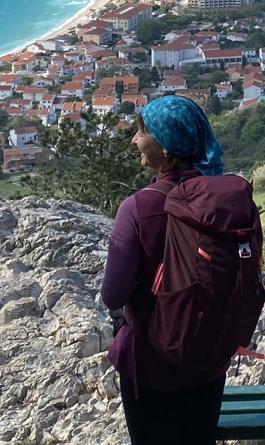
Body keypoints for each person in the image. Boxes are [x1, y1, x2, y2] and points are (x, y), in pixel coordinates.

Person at [100, 94, 237, 445]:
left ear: (165, 146)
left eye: (142, 131)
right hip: (208, 358)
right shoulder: (225, 202)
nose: (135, 139)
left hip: (149, 365)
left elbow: (112, 295)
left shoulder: (138, 208)